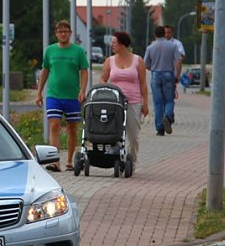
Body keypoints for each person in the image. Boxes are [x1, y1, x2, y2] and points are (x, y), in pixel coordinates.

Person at [34, 20, 89, 171]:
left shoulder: (78, 51)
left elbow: (84, 71)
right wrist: (39, 92)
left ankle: (70, 160)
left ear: (70, 33)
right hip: (53, 95)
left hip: (72, 96)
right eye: (60, 31)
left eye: (66, 31)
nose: (63, 34)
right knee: (54, 126)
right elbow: (45, 71)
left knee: (72, 128)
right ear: (56, 34)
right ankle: (54, 161)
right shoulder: (50, 50)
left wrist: (82, 90)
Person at [100, 31, 149, 174]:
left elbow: (143, 84)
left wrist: (145, 104)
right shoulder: (110, 61)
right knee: (115, 133)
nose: (112, 45)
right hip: (114, 102)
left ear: (122, 44)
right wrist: (105, 87)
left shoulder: (137, 60)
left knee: (133, 136)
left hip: (133, 101)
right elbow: (103, 78)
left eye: (114, 43)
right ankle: (116, 158)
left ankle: (131, 160)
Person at [144, 26, 181, 136]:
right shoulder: (173, 46)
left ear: (155, 34)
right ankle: (168, 117)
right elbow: (178, 61)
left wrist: (154, 69)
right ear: (164, 34)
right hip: (169, 74)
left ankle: (160, 129)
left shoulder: (150, 47)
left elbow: (146, 64)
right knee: (169, 100)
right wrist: (177, 76)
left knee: (157, 103)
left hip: (156, 74)